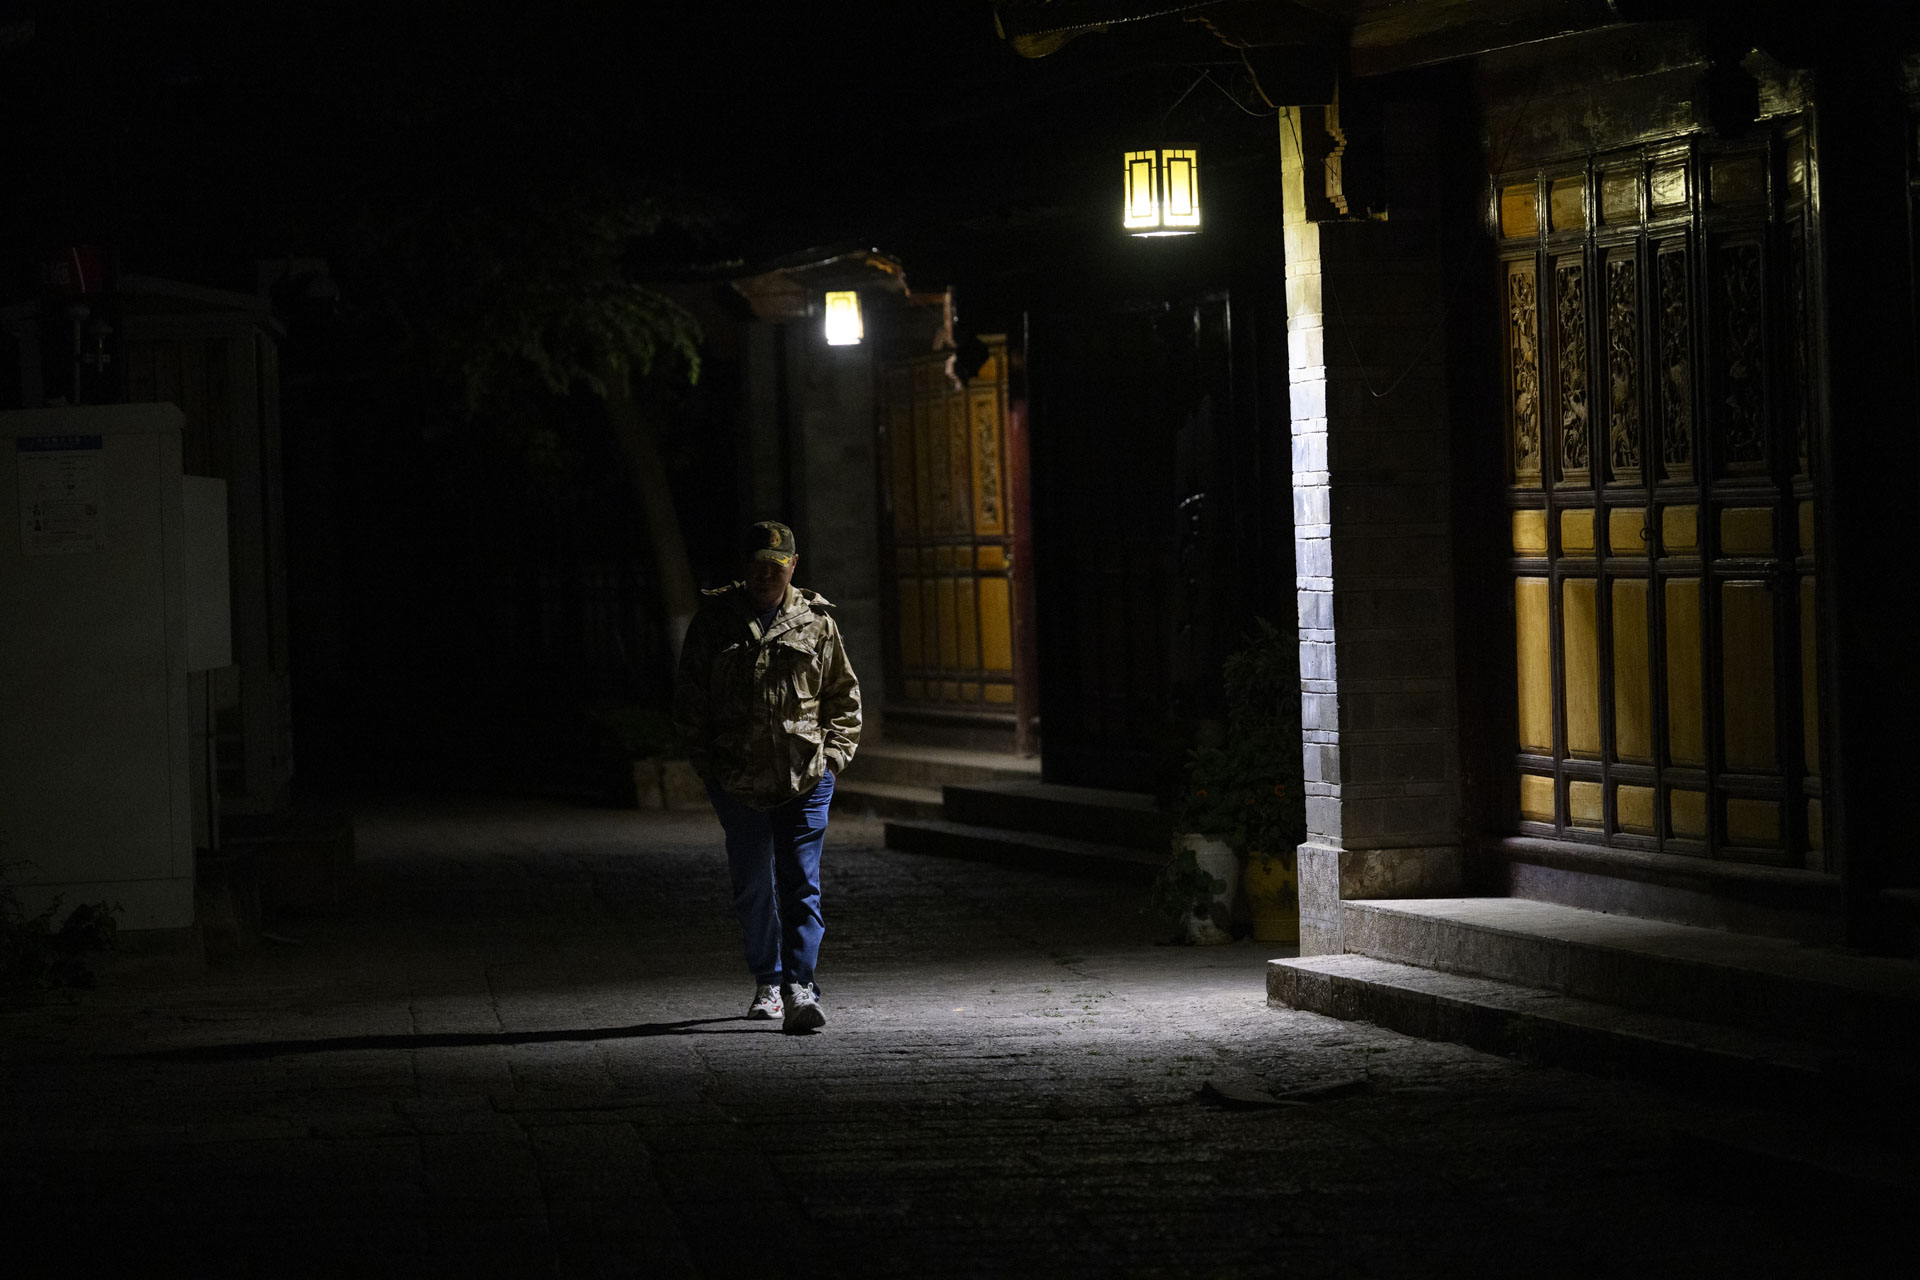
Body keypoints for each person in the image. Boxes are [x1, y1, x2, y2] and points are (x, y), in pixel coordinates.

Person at [673, 520, 861, 1033]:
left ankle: (800, 985)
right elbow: (691, 703)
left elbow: (843, 696)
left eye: (776, 565)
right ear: (744, 567)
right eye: (757, 564)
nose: (765, 574)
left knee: (801, 882)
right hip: (737, 780)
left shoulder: (816, 622)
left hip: (805, 777)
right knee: (754, 884)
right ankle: (768, 980)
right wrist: (708, 769)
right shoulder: (715, 623)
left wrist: (834, 759)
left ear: (792, 567)